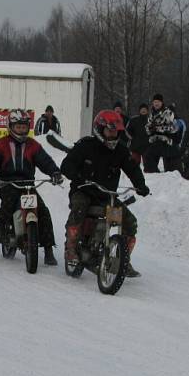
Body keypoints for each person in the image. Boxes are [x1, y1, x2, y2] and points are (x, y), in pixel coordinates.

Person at [60, 110, 150, 278]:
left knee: (130, 222)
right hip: (83, 190)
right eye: (109, 131)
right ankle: (71, 249)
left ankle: (123, 260)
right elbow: (67, 165)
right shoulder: (85, 145)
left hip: (107, 195)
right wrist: (78, 176)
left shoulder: (121, 150)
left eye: (116, 131)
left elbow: (132, 168)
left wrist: (141, 185)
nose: (113, 135)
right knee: (79, 209)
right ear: (99, 130)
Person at [0, 108, 62, 266]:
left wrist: (54, 172)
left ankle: (48, 250)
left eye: (24, 127)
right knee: (9, 202)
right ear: (10, 127)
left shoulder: (33, 145)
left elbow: (45, 161)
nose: (21, 130)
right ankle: (1, 226)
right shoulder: (0, 145)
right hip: (6, 183)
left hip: (27, 184)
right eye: (18, 127)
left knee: (43, 210)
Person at [144, 93, 177, 172]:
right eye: (155, 102)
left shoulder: (168, 113)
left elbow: (173, 128)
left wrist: (158, 128)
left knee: (149, 156)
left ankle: (159, 176)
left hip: (165, 141)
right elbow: (147, 126)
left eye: (158, 102)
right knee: (148, 161)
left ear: (162, 102)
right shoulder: (151, 113)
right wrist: (149, 129)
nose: (156, 104)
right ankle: (155, 175)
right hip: (154, 140)